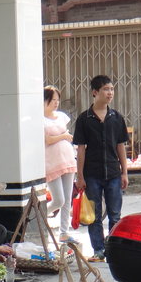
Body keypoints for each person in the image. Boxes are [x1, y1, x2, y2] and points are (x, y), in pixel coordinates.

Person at [73, 75, 129, 262]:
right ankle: (99, 250)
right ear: (95, 92)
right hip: (92, 175)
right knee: (94, 216)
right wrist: (79, 176)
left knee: (115, 215)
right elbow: (81, 149)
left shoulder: (116, 118)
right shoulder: (84, 119)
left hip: (113, 173)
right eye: (106, 89)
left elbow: (121, 146)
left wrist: (124, 172)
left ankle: (114, 249)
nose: (110, 93)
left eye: (112, 89)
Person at [43, 86, 77, 244]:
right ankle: (39, 217)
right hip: (52, 163)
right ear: (44, 101)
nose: (56, 103)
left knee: (67, 199)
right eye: (52, 100)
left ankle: (64, 232)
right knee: (58, 200)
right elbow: (47, 140)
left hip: (68, 160)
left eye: (57, 100)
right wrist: (63, 136)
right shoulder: (40, 119)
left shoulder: (62, 117)